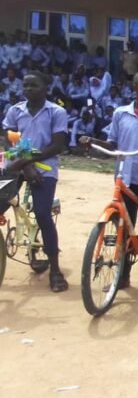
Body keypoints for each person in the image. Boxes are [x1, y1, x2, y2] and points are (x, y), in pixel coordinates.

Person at [80, 72, 138, 294]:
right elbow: (113, 144)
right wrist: (92, 141)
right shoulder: (121, 114)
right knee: (124, 230)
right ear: (135, 89)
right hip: (127, 178)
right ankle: (122, 276)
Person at [2, 71, 68, 291]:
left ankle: (56, 271)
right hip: (18, 164)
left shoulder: (56, 112)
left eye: (34, 85)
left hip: (45, 166)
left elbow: (57, 146)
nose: (28, 89)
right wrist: (25, 166)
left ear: (45, 88)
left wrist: (28, 163)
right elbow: (9, 141)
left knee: (42, 213)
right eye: (26, 85)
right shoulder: (15, 111)